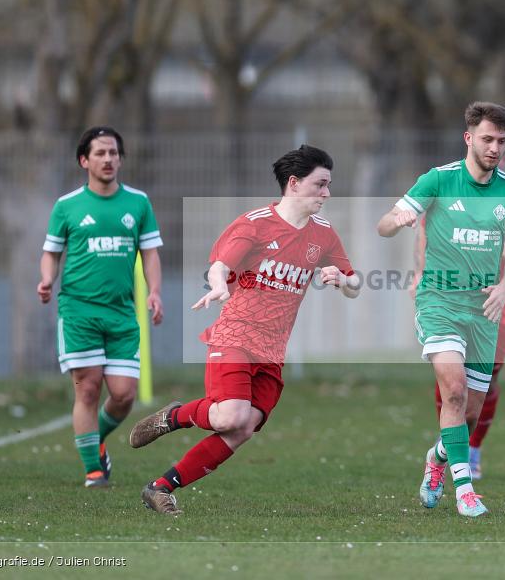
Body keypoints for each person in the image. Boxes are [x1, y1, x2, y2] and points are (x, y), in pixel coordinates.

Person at [129, 145, 359, 515]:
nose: (327, 194)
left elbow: (354, 283)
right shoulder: (255, 224)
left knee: (243, 427)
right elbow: (221, 264)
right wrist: (219, 283)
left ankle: (160, 488)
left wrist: (343, 280)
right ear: (295, 184)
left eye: (329, 186)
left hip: (273, 349)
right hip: (235, 334)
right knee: (230, 416)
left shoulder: (324, 234)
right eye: (320, 185)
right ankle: (173, 417)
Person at [377, 102, 505, 517]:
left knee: (470, 412)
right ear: (469, 138)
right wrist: (399, 217)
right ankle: (465, 491)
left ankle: (436, 459)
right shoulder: (439, 180)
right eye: (487, 139)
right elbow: (385, 223)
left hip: (483, 309)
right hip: (439, 301)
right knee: (455, 391)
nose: (495, 148)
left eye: (502, 141)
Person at [38, 126, 164, 488]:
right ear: (84, 160)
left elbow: (150, 253)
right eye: (100, 153)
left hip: (122, 312)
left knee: (123, 394)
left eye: (113, 153)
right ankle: (94, 469)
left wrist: (154, 291)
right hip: (78, 310)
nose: (108, 159)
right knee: (88, 388)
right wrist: (47, 279)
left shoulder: (138, 203)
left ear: (120, 159)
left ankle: (98, 439)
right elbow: (51, 253)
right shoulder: (67, 206)